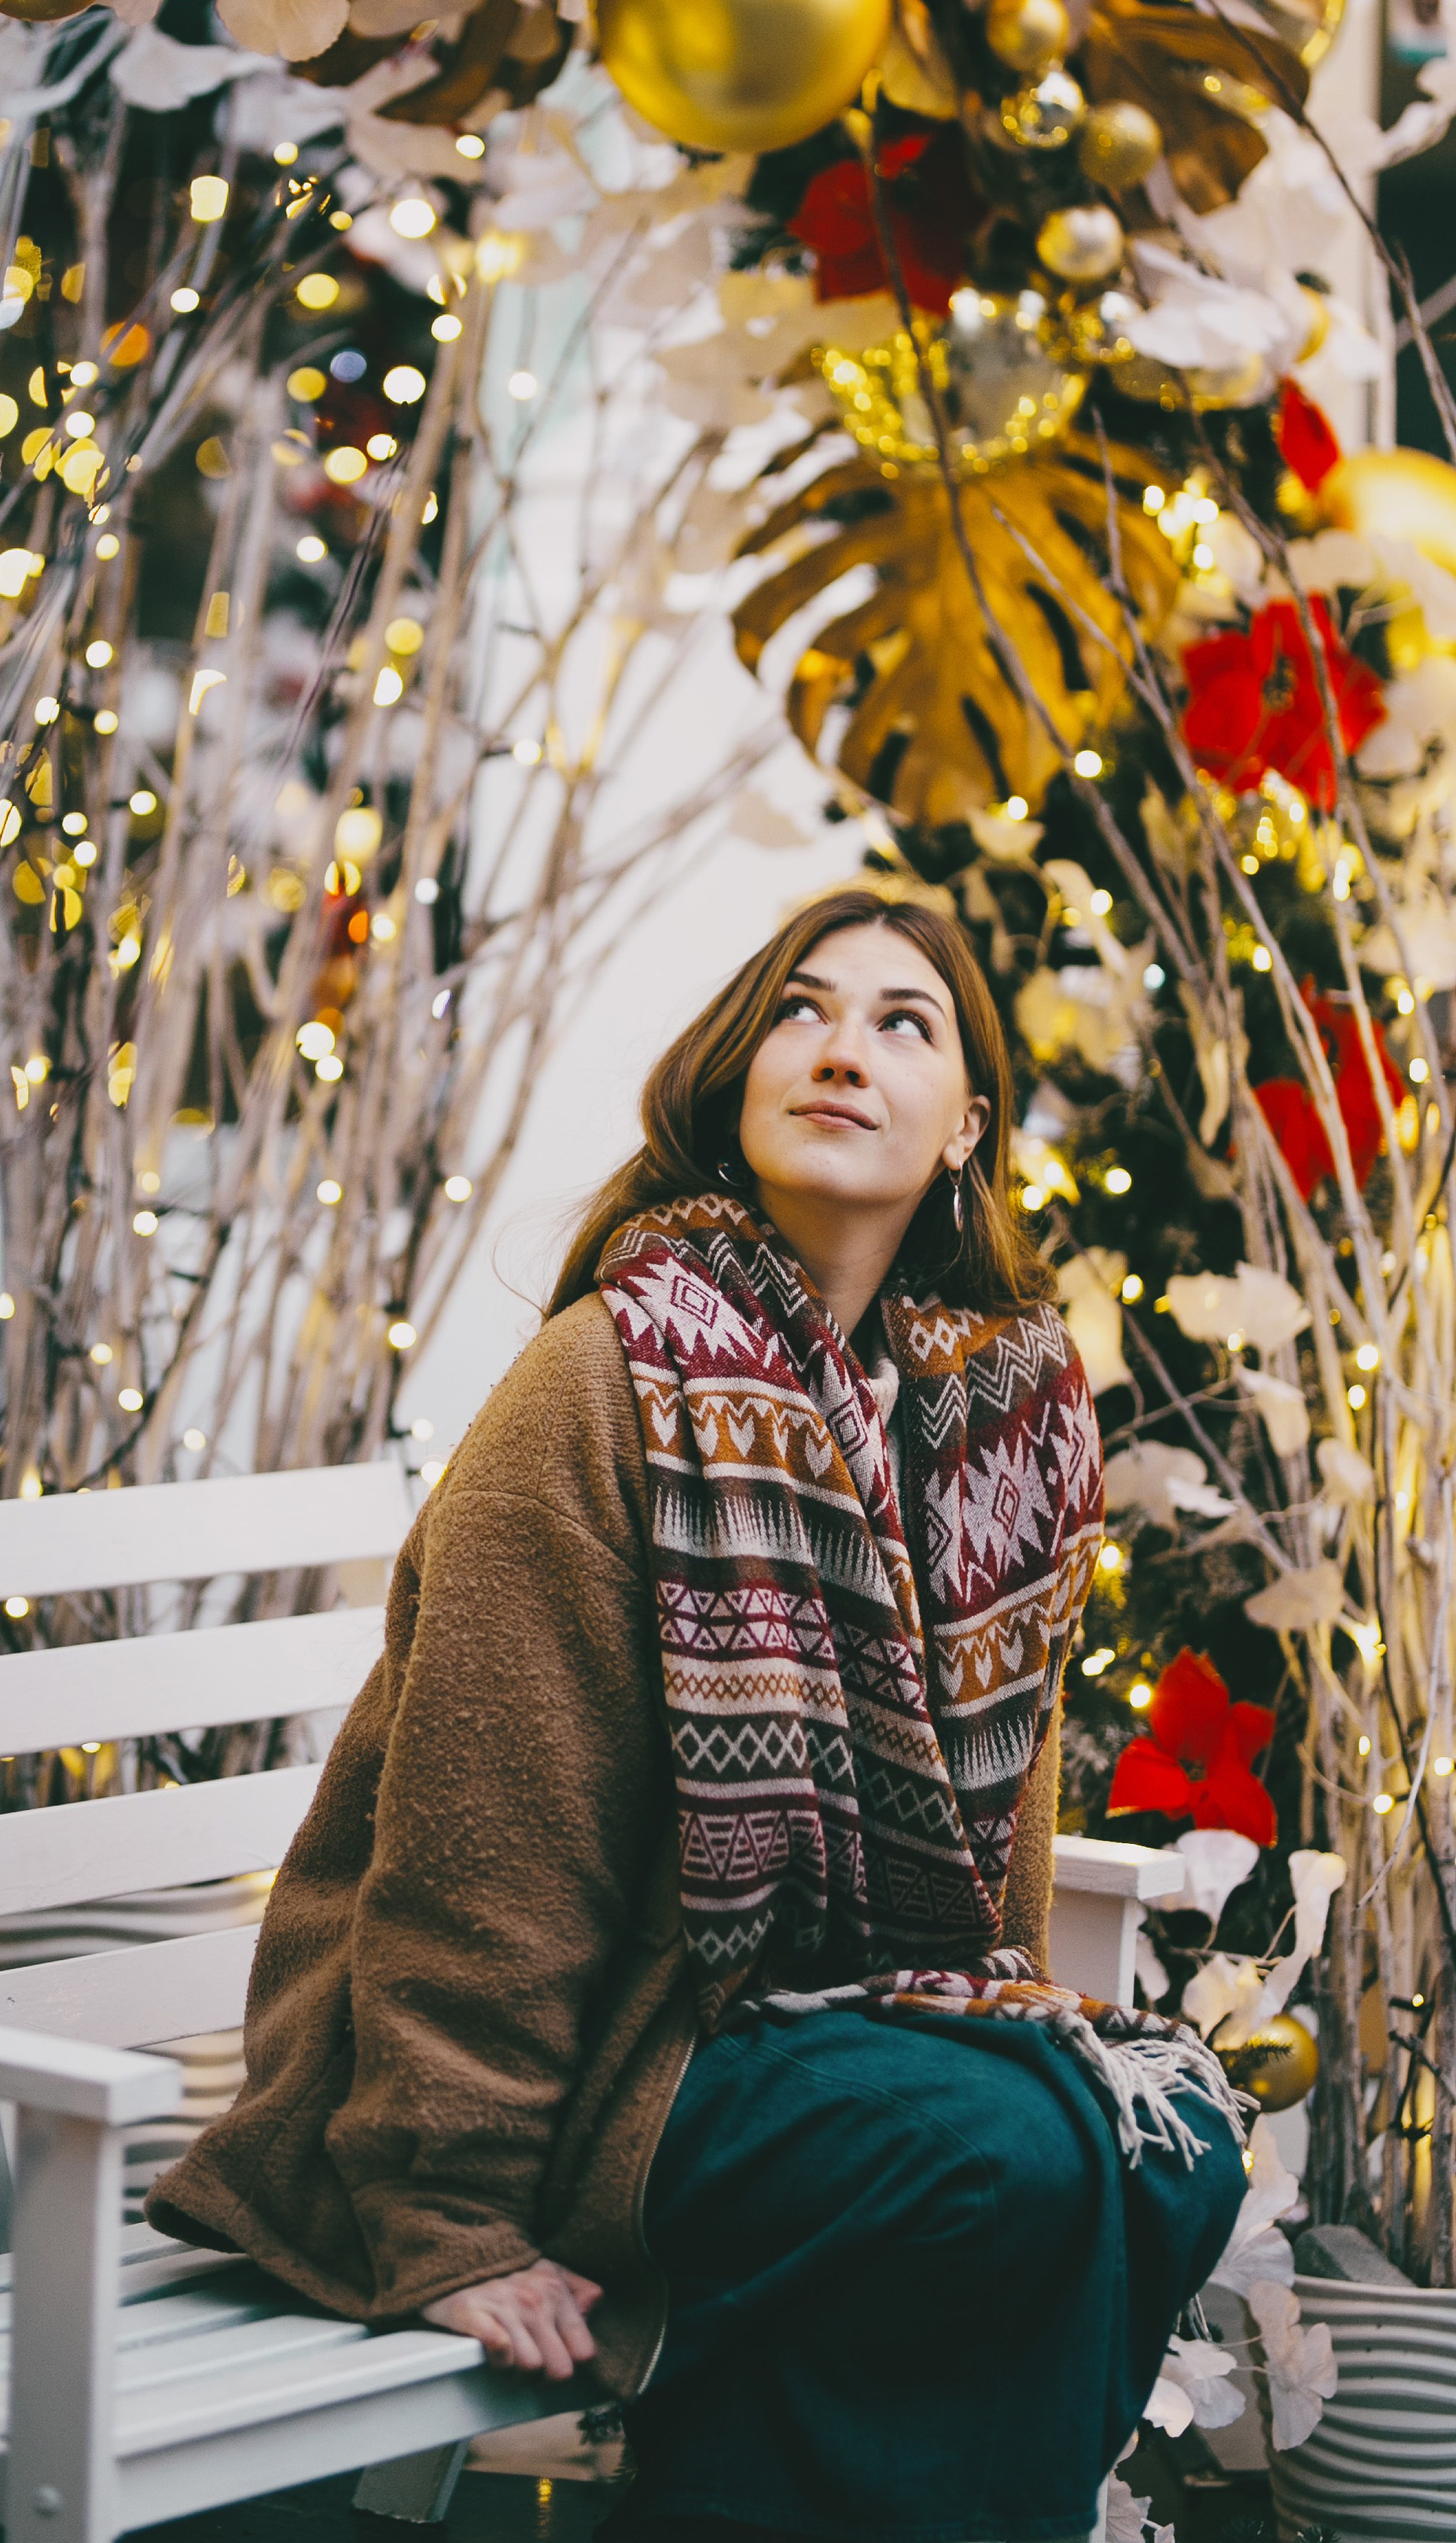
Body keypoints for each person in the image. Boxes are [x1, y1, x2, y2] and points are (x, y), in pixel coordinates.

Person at [148, 887, 1248, 2543]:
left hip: (821, 2037)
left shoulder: (998, 1431)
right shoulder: (606, 1379)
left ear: (964, 1129)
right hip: (606, 2057)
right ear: (731, 1080)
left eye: (902, 1023)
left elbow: (996, 1832)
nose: (839, 1050)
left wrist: (1022, 2033)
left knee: (1164, 2147)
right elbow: (483, 1833)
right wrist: (448, 2211)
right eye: (799, 1012)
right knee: (995, 2159)